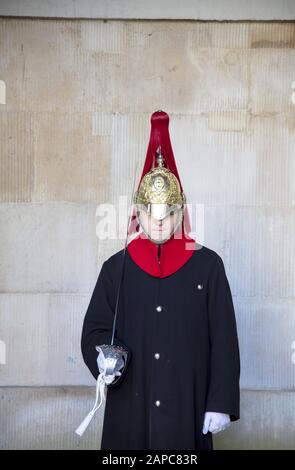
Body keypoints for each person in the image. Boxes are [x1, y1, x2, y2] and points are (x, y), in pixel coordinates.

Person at [80, 110, 240, 450]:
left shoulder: (208, 266)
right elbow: (94, 328)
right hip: (130, 411)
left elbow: (224, 340)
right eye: (151, 215)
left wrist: (220, 402)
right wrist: (103, 359)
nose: (159, 223)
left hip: (189, 407)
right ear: (137, 213)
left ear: (180, 212)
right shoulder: (115, 269)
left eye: (168, 214)